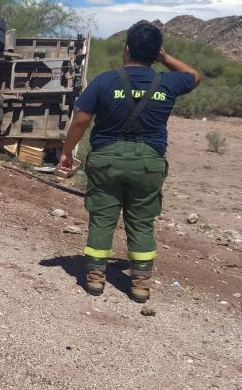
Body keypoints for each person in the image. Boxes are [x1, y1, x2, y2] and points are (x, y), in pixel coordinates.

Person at [58, 21, 201, 303]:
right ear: (155, 52)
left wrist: (66, 152)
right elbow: (193, 75)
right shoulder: (168, 81)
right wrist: (163, 57)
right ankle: (140, 285)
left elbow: (81, 121)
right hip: (148, 163)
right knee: (142, 223)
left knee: (101, 219)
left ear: (126, 50)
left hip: (106, 161)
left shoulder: (105, 81)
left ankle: (96, 279)